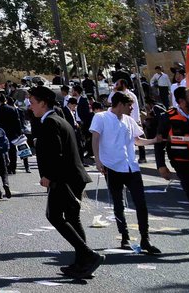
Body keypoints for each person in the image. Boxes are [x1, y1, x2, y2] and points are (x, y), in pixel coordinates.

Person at [28, 85, 97, 279]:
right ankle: (82, 263)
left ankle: (88, 256)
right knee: (72, 219)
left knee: (54, 216)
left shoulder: (50, 122)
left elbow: (56, 154)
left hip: (63, 179)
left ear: (43, 103)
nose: (30, 106)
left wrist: (48, 176)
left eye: (33, 102)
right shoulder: (58, 119)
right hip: (72, 177)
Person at [90, 90, 158, 254]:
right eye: (129, 105)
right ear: (120, 104)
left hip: (131, 166)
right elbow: (95, 138)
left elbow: (136, 140)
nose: (132, 108)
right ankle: (125, 236)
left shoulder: (129, 120)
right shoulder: (101, 117)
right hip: (112, 166)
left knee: (141, 203)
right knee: (118, 203)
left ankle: (145, 238)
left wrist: (155, 140)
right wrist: (98, 160)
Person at [154, 85, 189, 252]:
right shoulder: (168, 118)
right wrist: (161, 166)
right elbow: (159, 143)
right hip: (185, 169)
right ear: (181, 102)